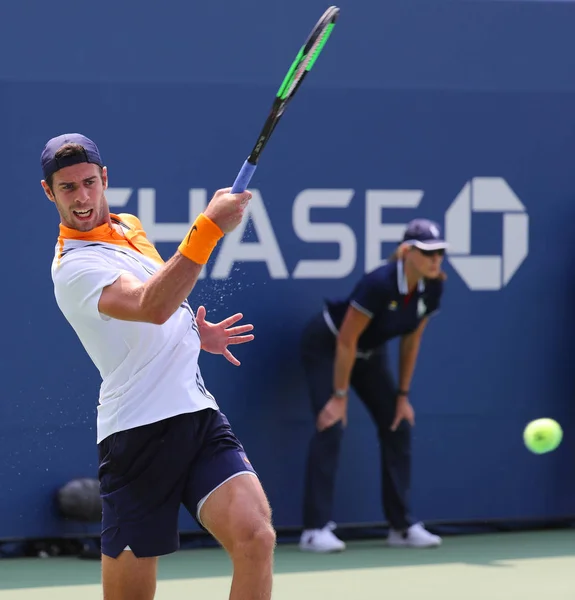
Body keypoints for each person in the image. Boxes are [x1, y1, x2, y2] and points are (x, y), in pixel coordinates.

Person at [41, 133, 276, 600]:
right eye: (68, 188)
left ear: (104, 179)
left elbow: (163, 300)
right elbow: (150, 305)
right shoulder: (73, 270)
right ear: (49, 192)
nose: (83, 197)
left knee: (257, 538)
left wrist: (192, 334)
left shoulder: (127, 226)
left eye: (89, 182)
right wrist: (207, 227)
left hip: (197, 417)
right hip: (136, 438)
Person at [298, 219, 448, 552]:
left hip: (369, 354)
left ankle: (401, 527)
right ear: (407, 252)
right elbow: (347, 340)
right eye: (427, 253)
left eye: (440, 252)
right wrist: (339, 397)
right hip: (329, 345)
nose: (435, 259)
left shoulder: (434, 286)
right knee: (331, 425)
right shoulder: (379, 282)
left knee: (398, 423)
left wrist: (402, 396)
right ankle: (315, 530)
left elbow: (412, 340)